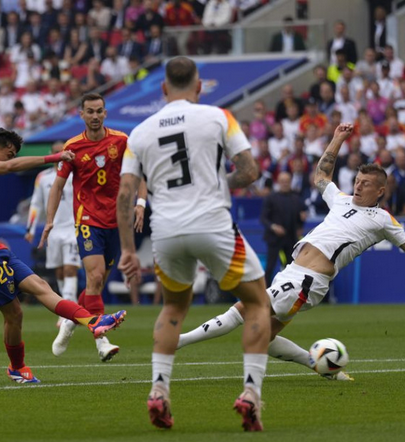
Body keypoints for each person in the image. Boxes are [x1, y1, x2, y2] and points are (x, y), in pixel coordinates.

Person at [175, 123, 405, 383]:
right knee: (264, 338)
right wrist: (337, 138)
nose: (358, 186)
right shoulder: (341, 199)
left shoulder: (383, 220)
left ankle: (179, 341)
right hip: (293, 274)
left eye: (365, 184)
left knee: (244, 310)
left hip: (308, 282)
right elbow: (321, 176)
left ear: (380, 191)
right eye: (358, 180)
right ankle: (326, 369)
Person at [117, 56, 271, 431]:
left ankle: (159, 389)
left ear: (164, 89)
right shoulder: (219, 117)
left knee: (172, 307)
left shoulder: (139, 132)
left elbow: (124, 195)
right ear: (199, 86)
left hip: (166, 231)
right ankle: (250, 392)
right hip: (213, 224)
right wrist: (218, 183)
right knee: (256, 302)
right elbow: (250, 171)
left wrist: (125, 249)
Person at [0, 127, 126, 384]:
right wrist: (52, 158)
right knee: (14, 313)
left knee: (40, 286)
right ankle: (17, 367)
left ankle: (93, 322)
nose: (9, 159)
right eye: (8, 153)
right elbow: (7, 168)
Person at [41, 94, 146, 362]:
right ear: (82, 115)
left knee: (95, 284)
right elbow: (57, 186)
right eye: (90, 111)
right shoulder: (73, 147)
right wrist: (50, 219)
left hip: (116, 222)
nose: (95, 116)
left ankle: (70, 319)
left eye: (99, 111)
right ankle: (102, 341)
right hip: (87, 219)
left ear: (105, 113)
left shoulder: (121, 142)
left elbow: (139, 174)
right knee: (96, 276)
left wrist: (141, 203)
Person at [25, 141, 81, 327]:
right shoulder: (42, 178)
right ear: (52, 154)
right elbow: (36, 203)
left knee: (70, 268)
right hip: (54, 229)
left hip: (73, 228)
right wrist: (30, 228)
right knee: (59, 270)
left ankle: (68, 313)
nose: (59, 157)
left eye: (62, 152)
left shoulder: (75, 174)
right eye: (56, 153)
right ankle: (66, 306)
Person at [261, 171, 307, 284]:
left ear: (290, 182)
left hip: (290, 239)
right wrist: (274, 227)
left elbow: (301, 215)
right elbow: (263, 218)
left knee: (290, 267)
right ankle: (264, 295)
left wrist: (301, 221)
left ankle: (288, 293)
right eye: (282, 181)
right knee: (270, 267)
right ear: (278, 182)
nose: (285, 184)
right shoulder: (271, 198)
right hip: (274, 238)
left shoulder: (296, 198)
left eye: (287, 181)